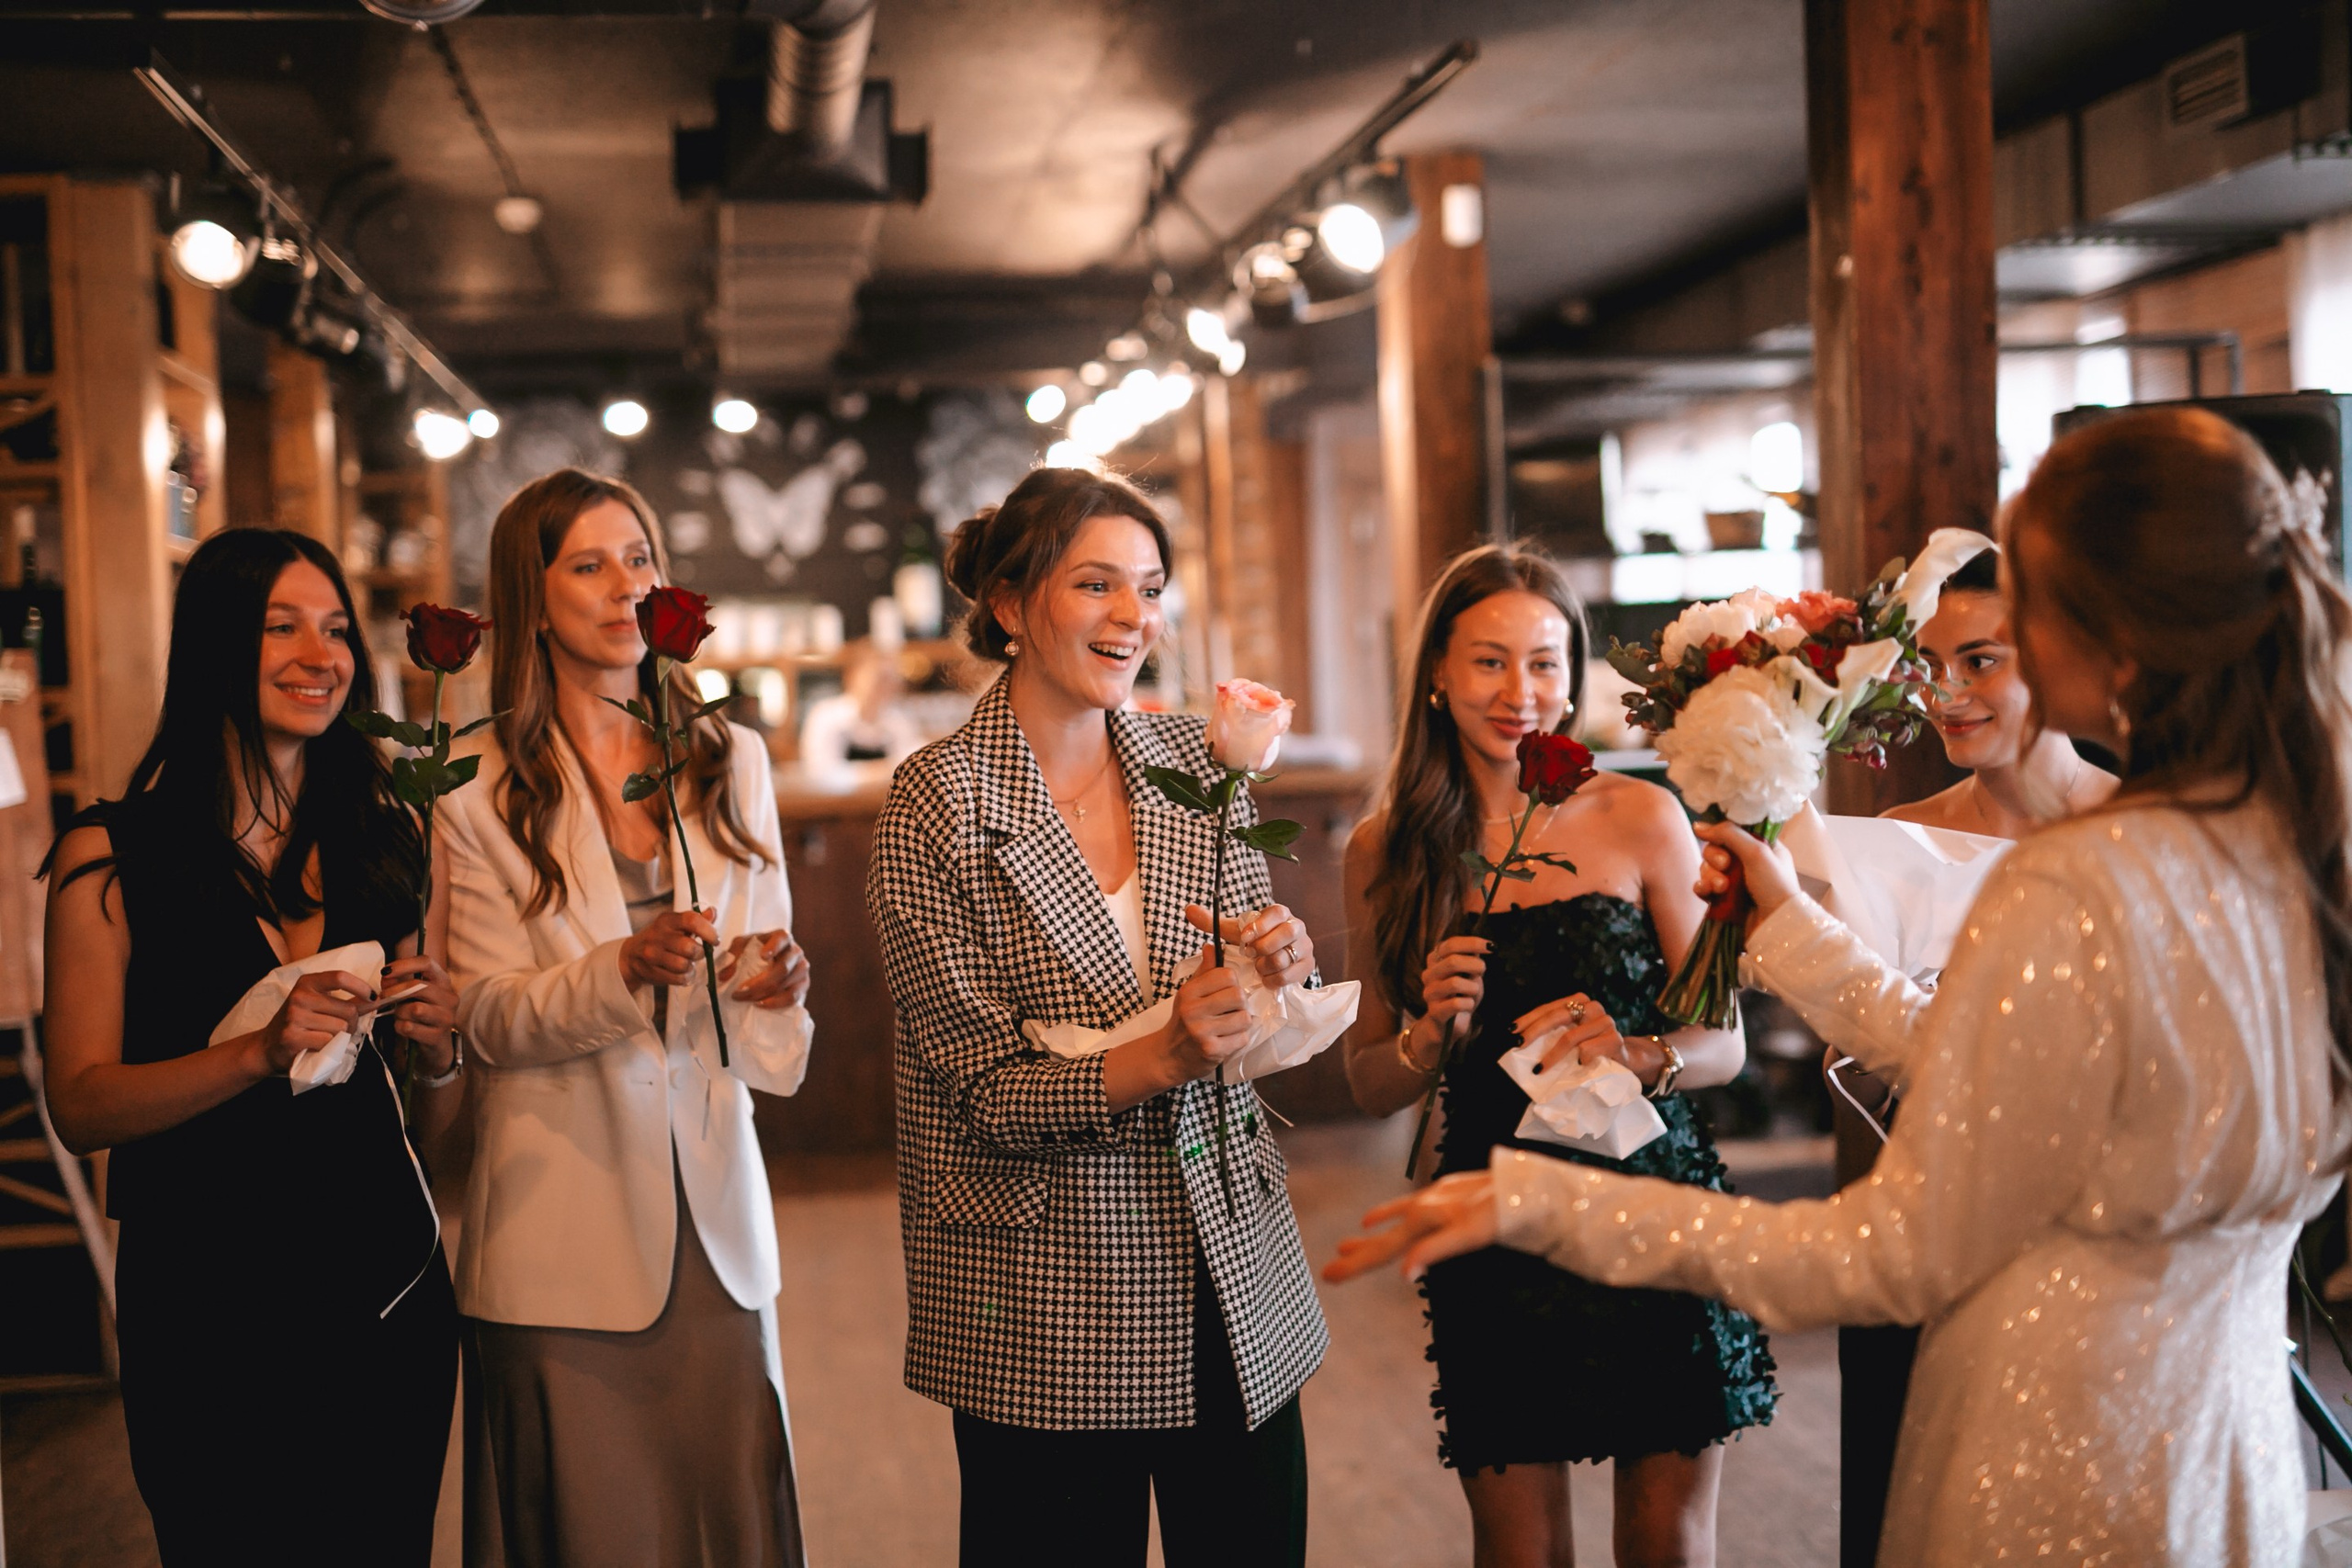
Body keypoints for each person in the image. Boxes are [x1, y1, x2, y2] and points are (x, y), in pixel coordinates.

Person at [1329, 406, 2352, 1566]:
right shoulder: (2298, 857)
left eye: (2016, 622)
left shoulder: (2076, 880)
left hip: (2066, 1449)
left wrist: (1547, 1206)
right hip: (2235, 1457)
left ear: (2103, 638)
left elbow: (1886, 1251)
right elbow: (1982, 1059)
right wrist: (1792, 926)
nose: (1949, 677)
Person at [866, 466, 1327, 1567]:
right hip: (1046, 1284)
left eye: (1150, 588)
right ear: (1012, 608)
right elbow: (980, 1089)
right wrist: (1167, 1050)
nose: (1134, 618)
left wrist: (1276, 961)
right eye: (1096, 586)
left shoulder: (1190, 764)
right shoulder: (937, 802)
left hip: (1227, 1255)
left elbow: (1242, 972)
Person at [1337, 543, 1773, 1568]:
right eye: (1489, 661)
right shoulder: (1386, 847)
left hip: (1654, 1200)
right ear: (1437, 675)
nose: (1521, 692)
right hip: (1494, 1215)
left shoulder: (1643, 816)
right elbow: (1364, 1082)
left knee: (1666, 1543)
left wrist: (1639, 1047)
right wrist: (1425, 1037)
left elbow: (1724, 1045)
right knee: (1519, 1552)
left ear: (1575, 676)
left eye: (1545, 662)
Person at [40, 529, 461, 1564]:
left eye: (335, 632)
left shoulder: (386, 844)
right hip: (207, 1302)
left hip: (385, 1287)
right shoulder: (110, 855)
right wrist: (253, 1055)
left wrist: (441, 1049)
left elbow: (430, 1119)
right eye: (282, 627)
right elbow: (82, 1104)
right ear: (213, 644)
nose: (322, 657)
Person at [436, 469, 812, 1568]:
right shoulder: (472, 787)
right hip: (561, 1237)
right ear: (529, 592)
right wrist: (620, 969)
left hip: (719, 1230)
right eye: (588, 564)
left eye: (639, 559)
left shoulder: (727, 759)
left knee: (730, 1524)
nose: (623, 587)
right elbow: (486, 1018)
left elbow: (769, 983)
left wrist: (776, 983)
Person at [1791, 540, 2116, 1567]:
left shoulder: (2142, 833)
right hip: (1923, 1233)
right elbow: (1855, 1044)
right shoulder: (1894, 839)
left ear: (2057, 656)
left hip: (2089, 1252)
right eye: (1927, 667)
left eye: (1983, 660)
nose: (1949, 693)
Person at [797, 639, 922, 774]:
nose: (887, 686)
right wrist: (878, 771)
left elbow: (913, 762)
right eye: (880, 678)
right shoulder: (827, 717)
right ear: (853, 676)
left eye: (892, 679)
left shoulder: (896, 721)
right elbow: (820, 771)